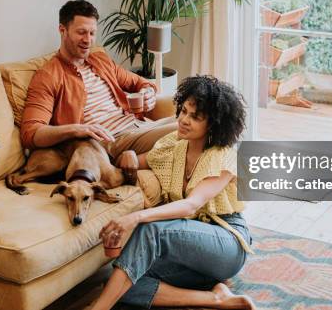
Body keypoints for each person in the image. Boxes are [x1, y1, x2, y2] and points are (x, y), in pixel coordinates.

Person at [91, 75, 255, 310]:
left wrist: (135, 217)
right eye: (184, 111)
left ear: (213, 124)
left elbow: (191, 205)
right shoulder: (173, 146)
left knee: (150, 231)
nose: (184, 120)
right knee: (121, 280)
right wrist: (126, 157)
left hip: (226, 243)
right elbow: (137, 161)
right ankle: (216, 298)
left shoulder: (224, 155)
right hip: (190, 250)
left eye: (195, 117)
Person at [20, 0, 177, 159]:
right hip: (110, 141)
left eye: (92, 33)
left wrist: (148, 92)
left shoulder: (100, 60)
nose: (88, 40)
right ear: (62, 30)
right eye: (81, 32)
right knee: (187, 129)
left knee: (192, 119)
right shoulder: (48, 76)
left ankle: (143, 162)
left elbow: (139, 82)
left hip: (138, 126)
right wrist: (77, 129)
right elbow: (31, 133)